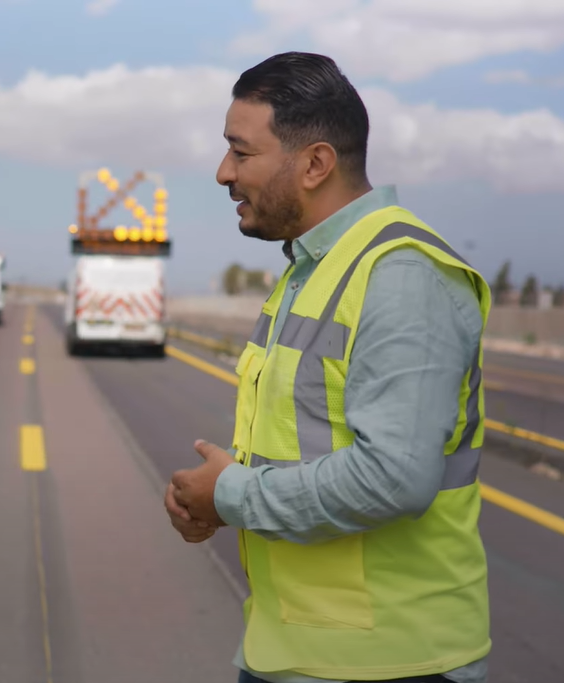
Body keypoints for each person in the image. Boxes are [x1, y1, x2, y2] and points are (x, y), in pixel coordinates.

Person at [164, 52, 492, 683]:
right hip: (301, 650)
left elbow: (395, 476)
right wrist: (217, 498)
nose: (222, 172)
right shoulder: (309, 269)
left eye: (241, 152)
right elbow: (307, 442)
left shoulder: (400, 274)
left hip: (391, 661)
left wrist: (231, 493)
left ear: (314, 163)